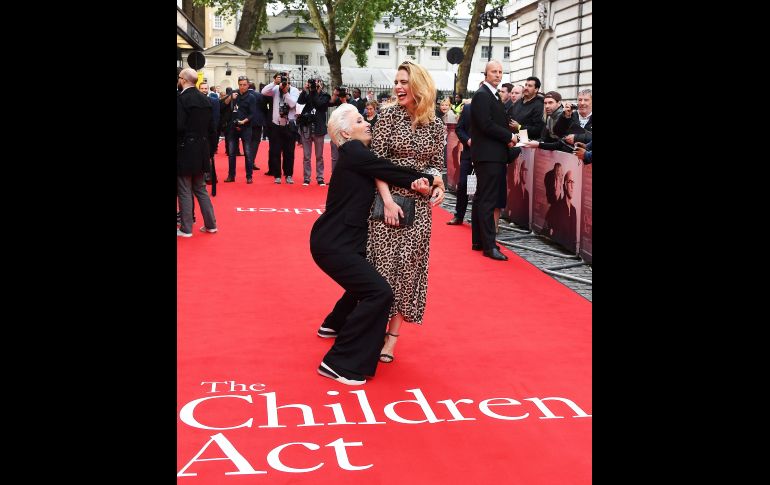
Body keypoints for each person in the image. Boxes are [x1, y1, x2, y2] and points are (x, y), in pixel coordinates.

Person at [311, 104, 445, 385]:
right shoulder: (353, 150)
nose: (367, 122)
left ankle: (332, 324)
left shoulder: (357, 153)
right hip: (334, 243)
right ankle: (339, 363)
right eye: (360, 120)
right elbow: (387, 168)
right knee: (379, 293)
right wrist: (432, 179)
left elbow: (383, 170)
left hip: (345, 239)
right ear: (346, 132)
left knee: (368, 282)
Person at [366, 60, 447, 363]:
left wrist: (438, 186)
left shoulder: (437, 125)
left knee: (408, 271)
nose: (398, 87)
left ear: (419, 86)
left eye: (404, 82)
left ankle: (393, 337)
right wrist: (387, 201)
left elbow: (436, 166)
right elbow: (377, 163)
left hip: (421, 210)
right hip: (387, 203)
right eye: (396, 82)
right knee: (381, 270)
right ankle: (371, 329)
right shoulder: (387, 118)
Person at [469, 60, 520, 262]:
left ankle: (480, 241)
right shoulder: (483, 95)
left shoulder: (492, 94)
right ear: (486, 73)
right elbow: (486, 125)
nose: (498, 75)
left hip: (491, 155)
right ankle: (488, 245)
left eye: (500, 72)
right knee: (487, 201)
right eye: (494, 72)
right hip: (489, 156)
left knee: (482, 199)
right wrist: (509, 137)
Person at [177, 68, 217, 237]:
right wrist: (210, 150)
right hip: (202, 148)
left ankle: (186, 229)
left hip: (185, 149)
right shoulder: (206, 100)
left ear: (184, 80)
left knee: (184, 188)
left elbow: (179, 126)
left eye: (179, 78)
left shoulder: (181, 99)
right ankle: (211, 224)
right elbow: (212, 128)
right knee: (200, 188)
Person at [262, 72, 300, 184]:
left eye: (285, 79)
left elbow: (293, 104)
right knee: (275, 152)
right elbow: (264, 91)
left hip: (289, 125)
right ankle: (277, 175)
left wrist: (285, 92)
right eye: (282, 79)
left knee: (289, 152)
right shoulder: (275, 89)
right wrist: (275, 83)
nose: (284, 81)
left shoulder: (294, 90)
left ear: (289, 80)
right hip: (276, 124)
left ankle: (288, 175)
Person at [222, 76, 258, 183]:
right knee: (232, 153)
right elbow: (224, 105)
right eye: (240, 84)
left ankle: (249, 176)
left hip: (246, 127)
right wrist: (230, 97)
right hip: (232, 127)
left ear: (248, 85)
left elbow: (252, 114)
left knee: (247, 153)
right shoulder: (234, 94)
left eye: (244, 85)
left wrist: (243, 121)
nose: (242, 87)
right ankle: (231, 176)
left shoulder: (251, 97)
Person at [297, 78, 332, 186]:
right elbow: (300, 101)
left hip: (319, 129)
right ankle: (306, 178)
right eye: (314, 84)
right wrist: (304, 90)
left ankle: (320, 177)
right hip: (307, 128)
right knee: (306, 156)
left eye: (318, 84)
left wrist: (314, 92)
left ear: (322, 85)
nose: (315, 86)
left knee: (319, 156)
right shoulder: (308, 94)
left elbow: (319, 104)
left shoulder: (325, 96)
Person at [447, 98, 473, 225]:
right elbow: (459, 129)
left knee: (480, 188)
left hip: (486, 156)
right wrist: (467, 140)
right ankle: (459, 215)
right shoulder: (468, 109)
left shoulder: (493, 108)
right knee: (463, 184)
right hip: (469, 154)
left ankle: (478, 218)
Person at [545, 170, 577, 250]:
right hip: (557, 249)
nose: (572, 186)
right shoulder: (556, 208)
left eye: (573, 182)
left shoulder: (573, 210)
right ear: (564, 185)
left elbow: (574, 238)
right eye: (569, 182)